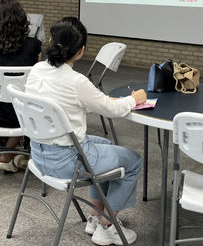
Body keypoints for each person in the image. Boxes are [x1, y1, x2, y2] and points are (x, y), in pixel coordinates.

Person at [25, 17, 147, 245]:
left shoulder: (37, 69)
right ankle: (107, 226)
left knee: (107, 146)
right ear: (80, 51)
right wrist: (134, 98)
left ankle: (94, 216)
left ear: (51, 41)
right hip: (68, 161)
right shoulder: (76, 81)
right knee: (134, 162)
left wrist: (102, 99)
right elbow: (113, 110)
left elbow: (94, 100)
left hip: (39, 153)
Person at [0, 0, 41, 172]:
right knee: (36, 106)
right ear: (22, 19)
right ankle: (8, 154)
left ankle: (8, 152)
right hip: (21, 112)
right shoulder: (34, 45)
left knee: (15, 108)